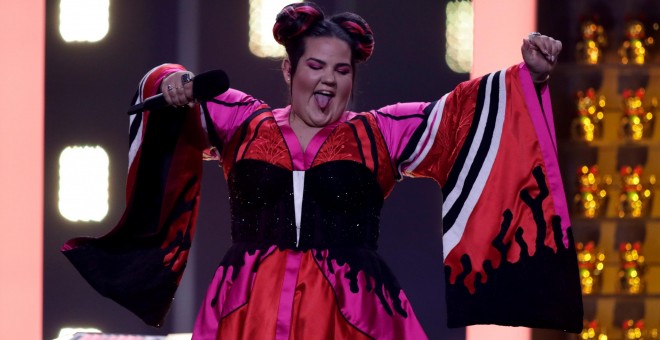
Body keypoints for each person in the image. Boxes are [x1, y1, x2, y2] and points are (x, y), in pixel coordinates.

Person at [63, 2, 583, 339]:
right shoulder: (244, 123)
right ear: (289, 69)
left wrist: (526, 76)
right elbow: (170, 90)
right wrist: (171, 82)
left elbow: (459, 116)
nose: (328, 81)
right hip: (247, 312)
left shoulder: (379, 133)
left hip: (353, 316)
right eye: (315, 66)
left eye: (342, 70)